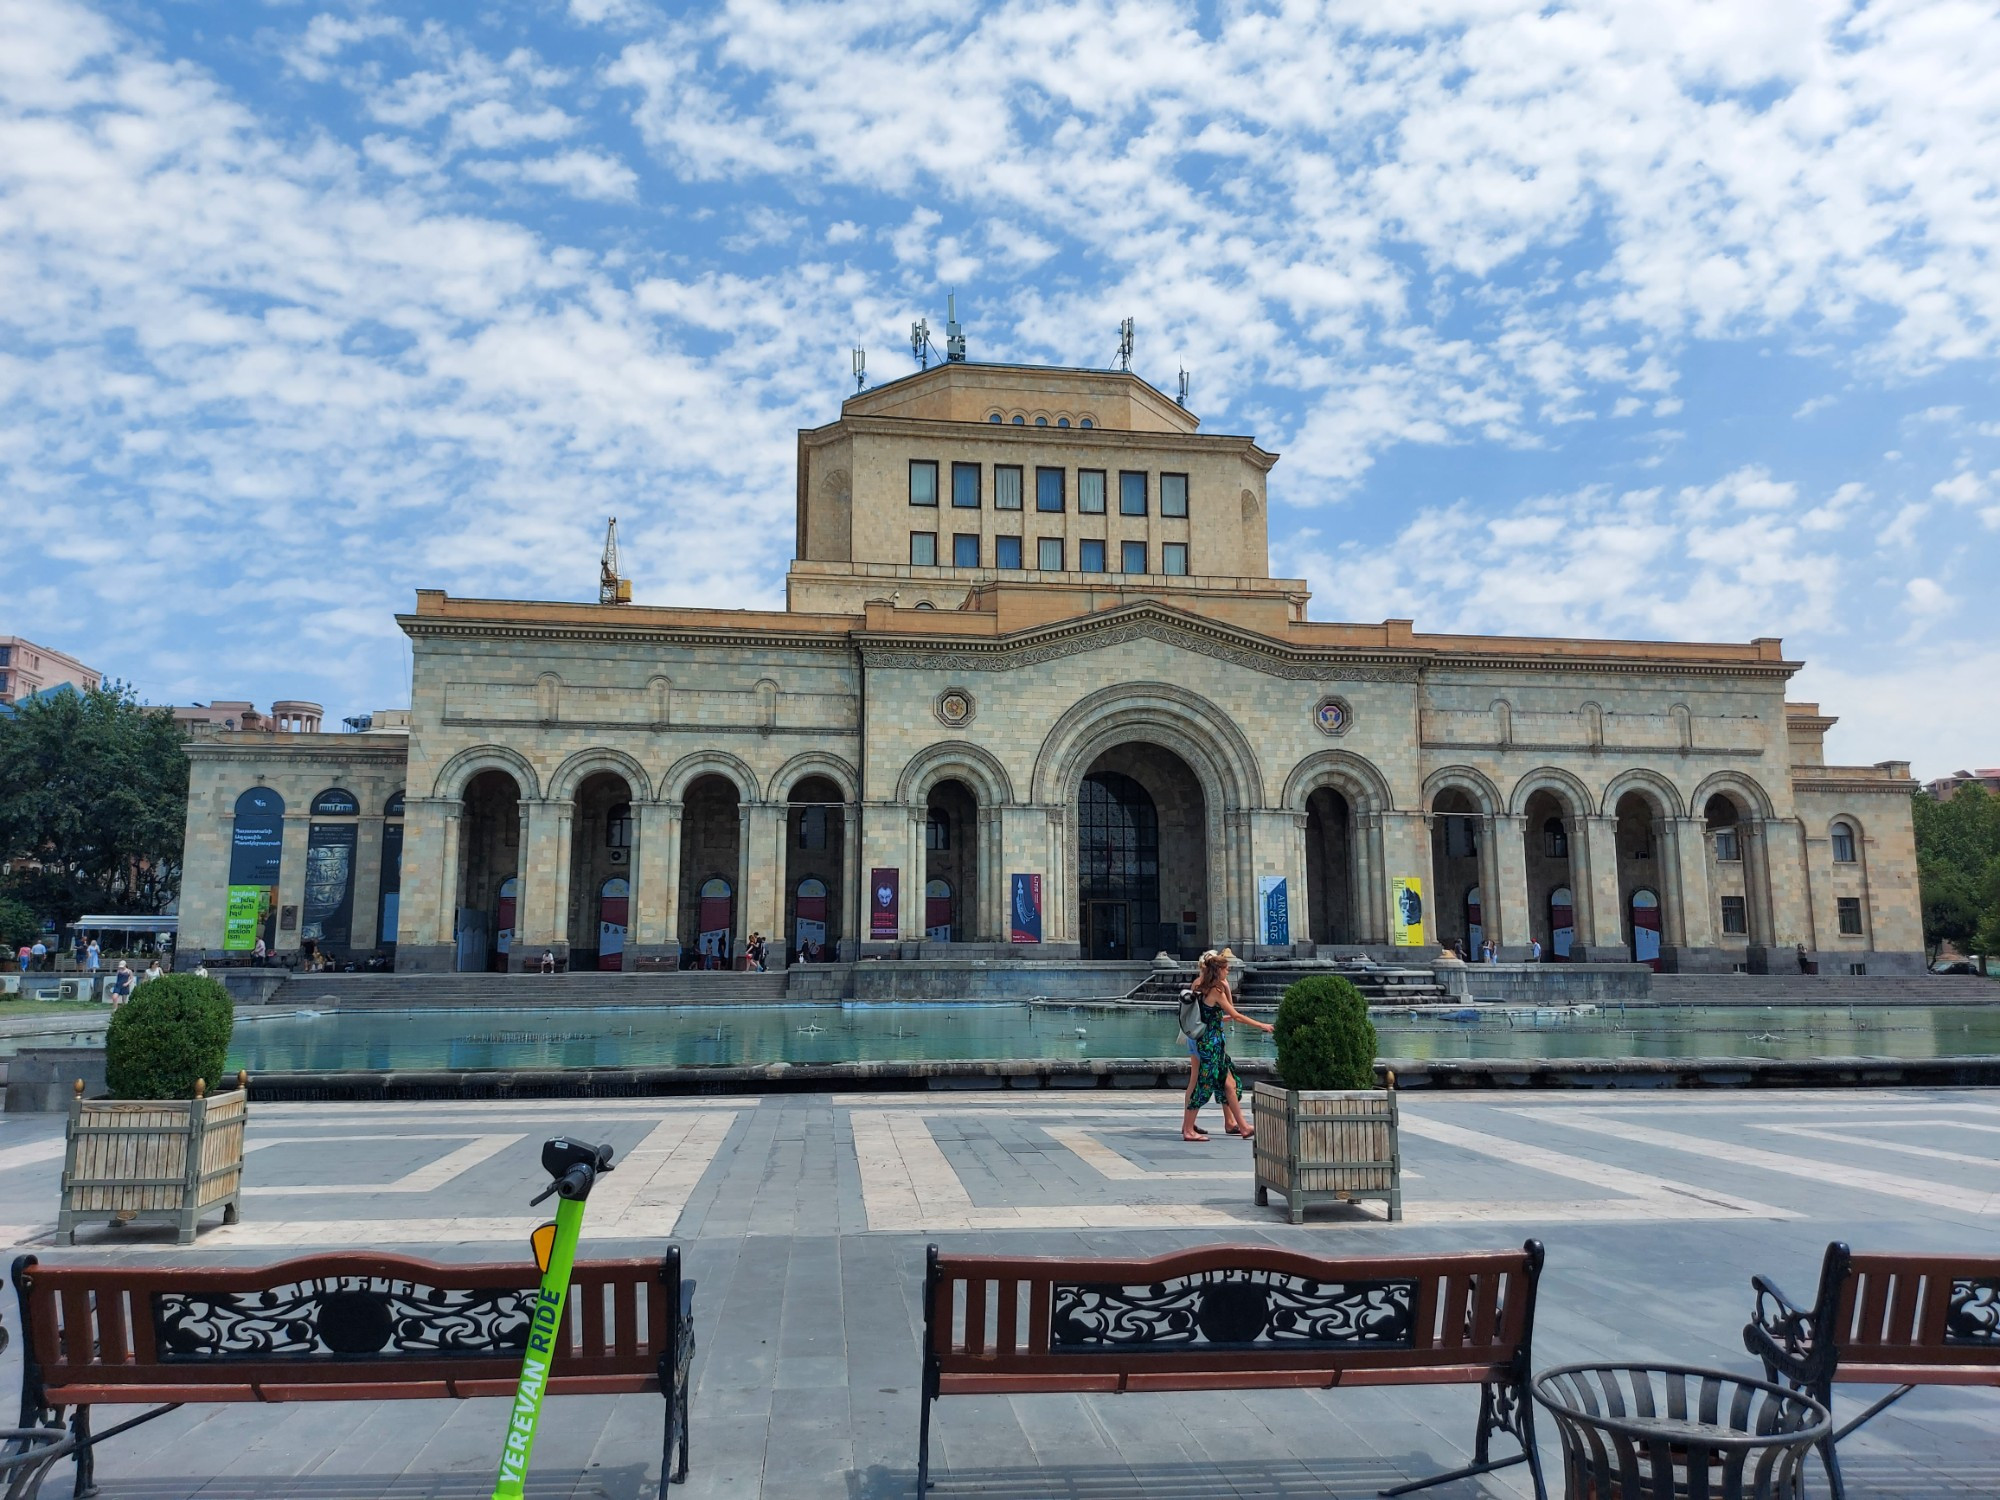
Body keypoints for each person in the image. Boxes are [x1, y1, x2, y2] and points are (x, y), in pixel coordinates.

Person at [1181, 947, 1272, 1143]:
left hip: (1213, 1042)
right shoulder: (1215, 990)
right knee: (1203, 1085)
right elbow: (1237, 1015)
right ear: (1218, 970)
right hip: (1210, 1044)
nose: (1228, 971)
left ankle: (1242, 1125)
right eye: (1226, 968)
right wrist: (1261, 1025)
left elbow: (1211, 1014)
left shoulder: (1201, 986)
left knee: (1230, 1084)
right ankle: (1188, 1129)